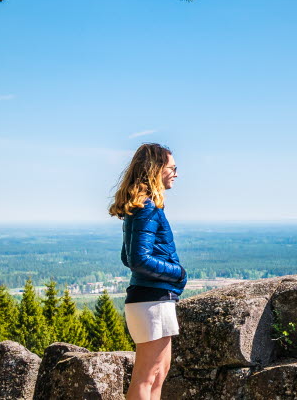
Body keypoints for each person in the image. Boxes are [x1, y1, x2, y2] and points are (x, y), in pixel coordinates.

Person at [109, 143, 186, 400]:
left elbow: (127, 256)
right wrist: (178, 273)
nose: (176, 173)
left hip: (151, 299)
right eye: (172, 168)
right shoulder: (147, 208)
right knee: (146, 376)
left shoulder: (141, 207)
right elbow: (138, 260)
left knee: (158, 373)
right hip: (152, 300)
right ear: (156, 169)